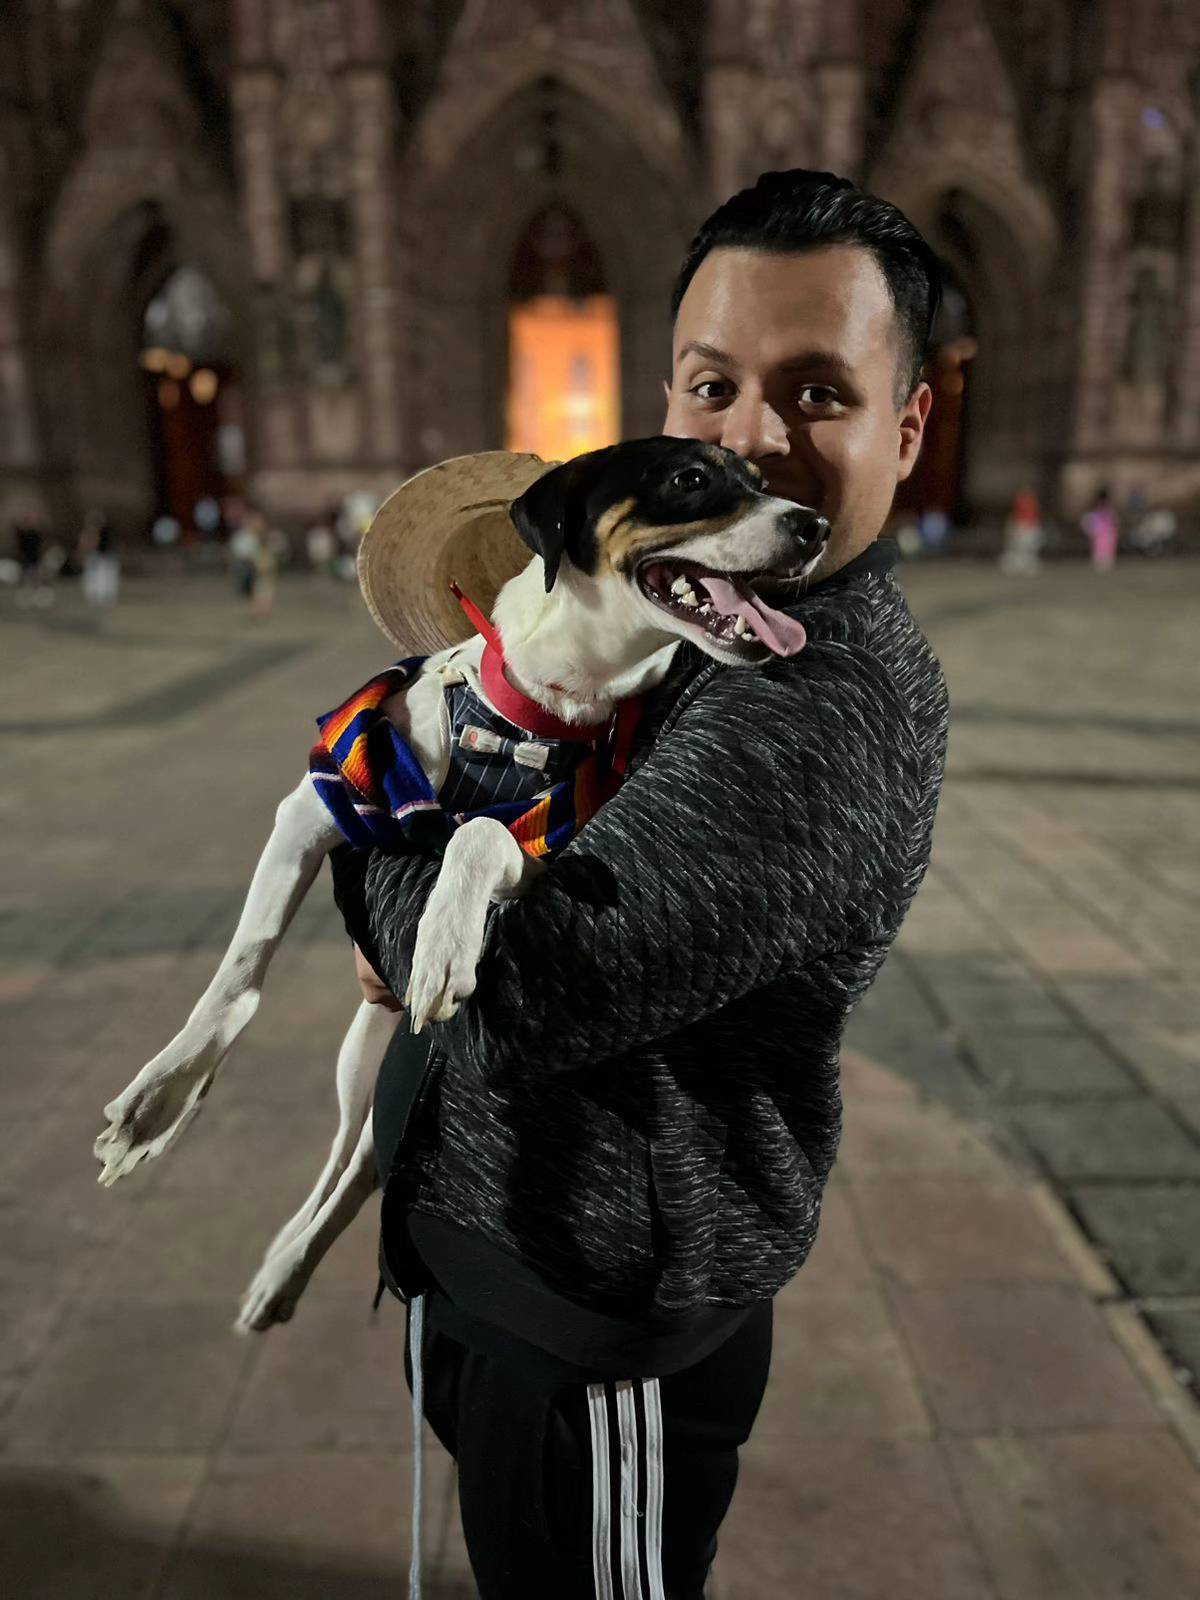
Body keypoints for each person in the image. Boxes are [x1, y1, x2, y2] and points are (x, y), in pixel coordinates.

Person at [331, 169, 949, 1599]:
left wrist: (366, 844)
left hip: (600, 1328)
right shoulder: (703, 623)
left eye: (818, 394)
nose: (751, 439)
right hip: (511, 1262)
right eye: (712, 384)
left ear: (908, 426)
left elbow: (525, 996)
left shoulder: (818, 699)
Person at [1000, 488, 1043, 575]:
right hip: (1022, 526)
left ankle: (1026, 566)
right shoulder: (1020, 502)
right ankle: (1015, 566)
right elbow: (1017, 516)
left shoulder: (1032, 503)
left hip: (1030, 527)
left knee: (1029, 549)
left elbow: (1034, 516)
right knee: (1018, 548)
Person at [1081, 486, 1118, 571]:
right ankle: (1103, 561)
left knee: (1102, 545)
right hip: (1104, 530)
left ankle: (1103, 561)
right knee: (1102, 545)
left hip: (1102, 530)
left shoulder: (1100, 507)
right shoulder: (1106, 507)